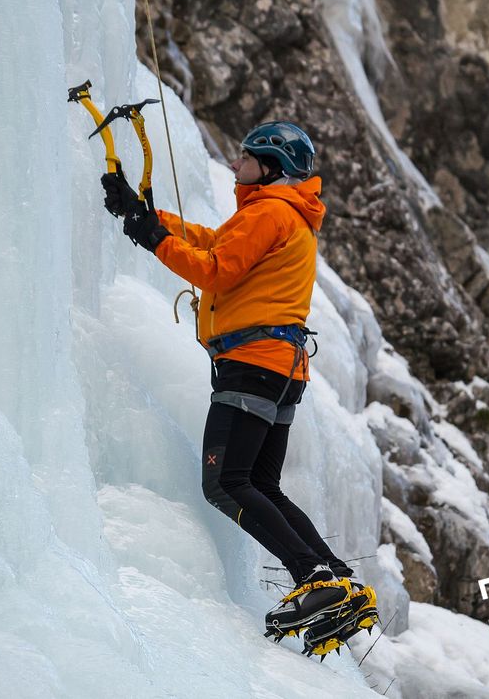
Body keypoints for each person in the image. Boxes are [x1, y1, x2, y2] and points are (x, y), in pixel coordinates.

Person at [101, 121, 363, 637]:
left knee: (225, 482)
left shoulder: (269, 212)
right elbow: (213, 239)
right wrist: (149, 217)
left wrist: (153, 239)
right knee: (262, 483)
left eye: (245, 158)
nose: (234, 165)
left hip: (254, 363)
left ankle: (312, 576)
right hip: (283, 369)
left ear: (271, 168)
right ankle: (335, 577)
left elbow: (215, 269)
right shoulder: (283, 216)